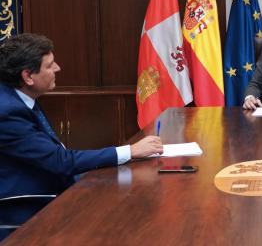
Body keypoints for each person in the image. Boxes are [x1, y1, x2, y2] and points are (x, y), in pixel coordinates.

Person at [0, 34, 163, 239]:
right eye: (50, 65)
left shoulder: (19, 97)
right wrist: (130, 151)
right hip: (28, 206)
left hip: (53, 187)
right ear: (27, 76)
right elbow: (60, 161)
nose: (58, 68)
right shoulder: (7, 112)